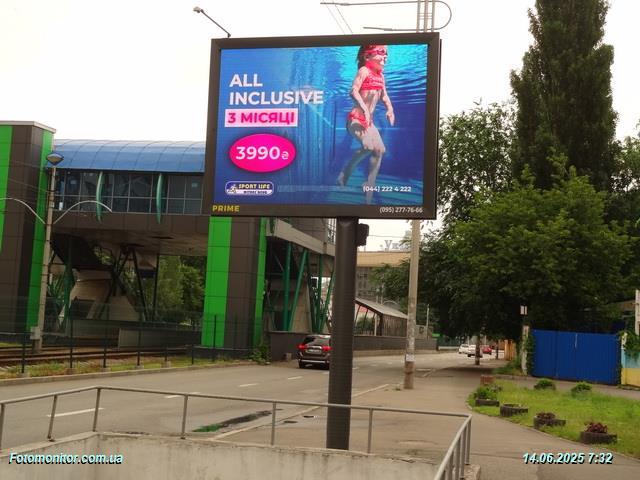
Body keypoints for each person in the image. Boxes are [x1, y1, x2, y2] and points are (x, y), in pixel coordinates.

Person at [336, 44, 395, 204]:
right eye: (381, 52)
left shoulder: (381, 76)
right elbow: (353, 91)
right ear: (367, 56)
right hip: (355, 119)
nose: (385, 56)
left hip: (369, 122)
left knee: (380, 150)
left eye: (386, 53)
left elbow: (384, 96)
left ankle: (369, 184)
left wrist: (390, 109)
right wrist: (364, 109)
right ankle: (345, 173)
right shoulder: (364, 71)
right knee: (369, 146)